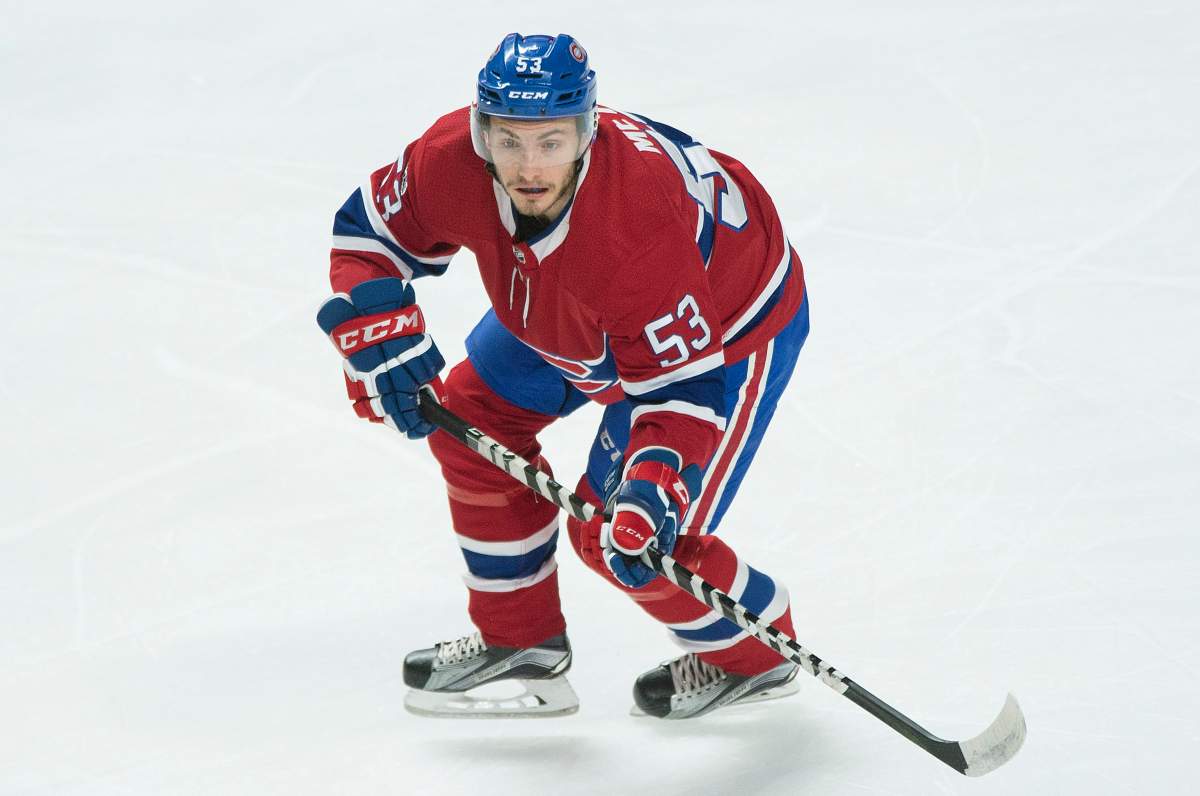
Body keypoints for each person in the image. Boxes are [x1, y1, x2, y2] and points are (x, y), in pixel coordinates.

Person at [316, 32, 810, 720]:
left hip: (727, 326)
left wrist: (653, 486)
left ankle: (760, 657)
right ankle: (522, 645)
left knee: (619, 535)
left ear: (587, 130)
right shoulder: (448, 161)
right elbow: (367, 234)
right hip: (576, 305)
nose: (528, 166)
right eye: (509, 140)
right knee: (469, 419)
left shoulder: (635, 228)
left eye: (550, 142)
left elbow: (682, 392)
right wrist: (374, 329)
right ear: (480, 129)